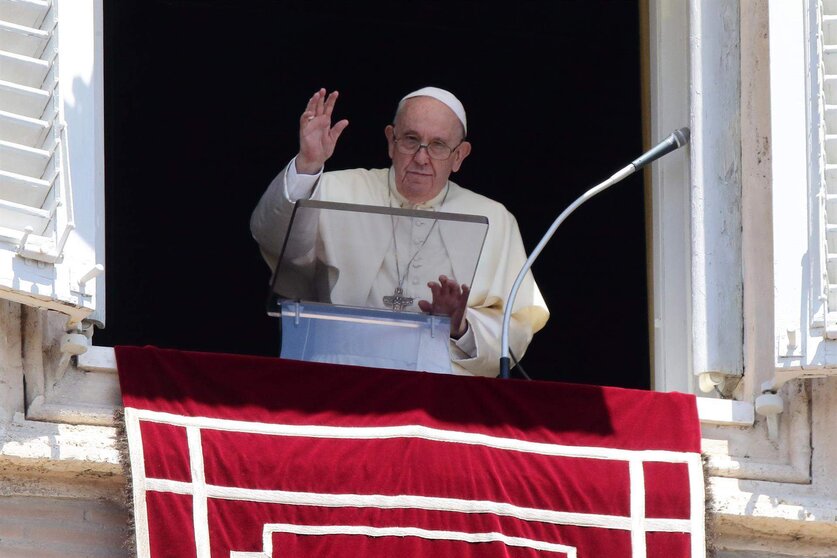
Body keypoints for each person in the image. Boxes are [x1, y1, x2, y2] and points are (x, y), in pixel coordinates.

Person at [251, 86, 549, 377]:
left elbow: (517, 325)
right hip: (340, 372)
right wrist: (308, 165)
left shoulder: (494, 218)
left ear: (459, 156)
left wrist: (460, 327)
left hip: (438, 387)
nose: (421, 158)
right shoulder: (335, 189)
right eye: (411, 140)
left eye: (438, 145)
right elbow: (275, 239)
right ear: (391, 141)